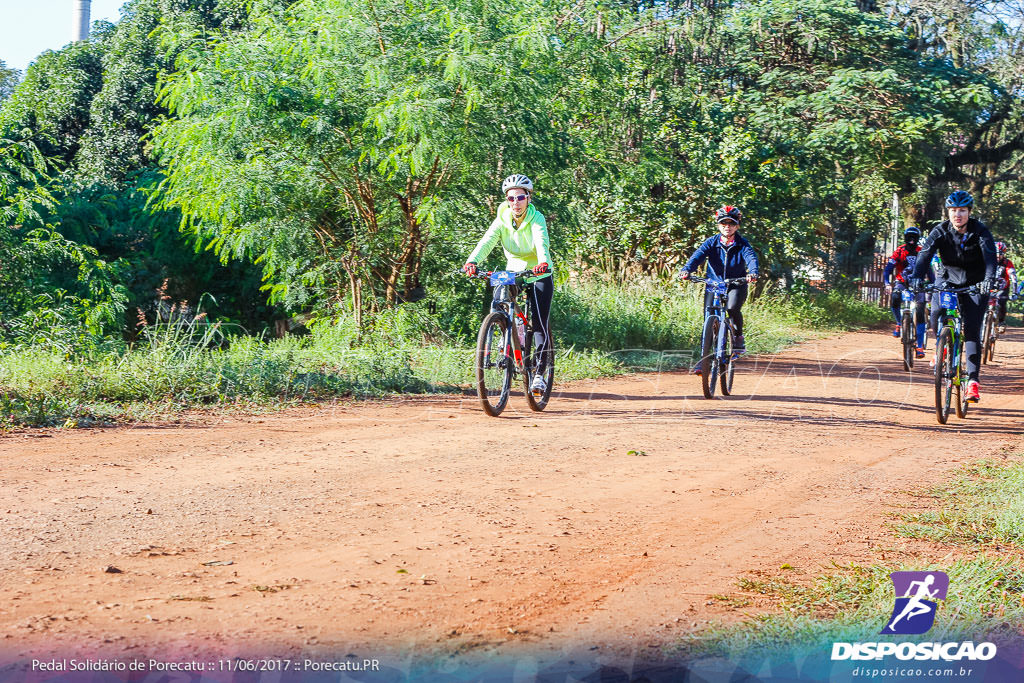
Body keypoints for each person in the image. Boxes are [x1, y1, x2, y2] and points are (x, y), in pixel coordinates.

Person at [463, 174, 553, 396]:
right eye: (511, 198)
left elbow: (542, 242)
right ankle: (507, 331)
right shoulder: (502, 218)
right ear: (506, 200)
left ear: (528, 198)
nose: (515, 203)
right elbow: (487, 241)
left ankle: (539, 374)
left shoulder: (536, 218)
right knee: (501, 300)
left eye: (520, 197)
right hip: (514, 271)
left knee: (539, 322)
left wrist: (542, 263)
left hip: (539, 272)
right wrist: (472, 261)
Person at [910, 190, 997, 403]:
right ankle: (943, 345)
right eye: (953, 210)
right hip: (947, 280)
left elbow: (990, 259)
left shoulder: (980, 231)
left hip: (976, 284)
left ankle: (973, 382)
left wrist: (987, 280)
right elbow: (924, 255)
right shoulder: (939, 231)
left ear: (969, 212)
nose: (958, 215)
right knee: (937, 311)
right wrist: (916, 277)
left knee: (972, 329)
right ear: (948, 212)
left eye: (962, 211)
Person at [679, 205, 759, 368]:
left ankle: (738, 339)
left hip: (736, 284)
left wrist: (752, 272)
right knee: (708, 319)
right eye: (723, 223)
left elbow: (751, 258)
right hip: (714, 284)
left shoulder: (742, 244)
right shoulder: (711, 242)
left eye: (731, 223)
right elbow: (697, 256)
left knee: (732, 308)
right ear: (718, 225)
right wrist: (687, 270)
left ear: (737, 226)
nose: (727, 227)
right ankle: (704, 362)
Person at [883, 226, 928, 358]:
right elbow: (888, 269)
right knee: (895, 296)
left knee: (920, 311)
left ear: (918, 239)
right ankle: (898, 323)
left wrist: (932, 283)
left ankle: (920, 346)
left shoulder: (922, 251)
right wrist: (887, 283)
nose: (912, 240)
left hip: (919, 284)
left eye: (914, 237)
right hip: (902, 282)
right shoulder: (899, 251)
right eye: (909, 237)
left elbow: (929, 270)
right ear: (905, 238)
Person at [994, 241, 1016, 334]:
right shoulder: (987, 261)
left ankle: (1001, 322)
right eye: (996, 254)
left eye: (1001, 254)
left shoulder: (1007, 263)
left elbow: (1013, 278)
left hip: (1002, 288)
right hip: (988, 287)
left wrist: (1014, 292)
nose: (998, 256)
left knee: (1001, 302)